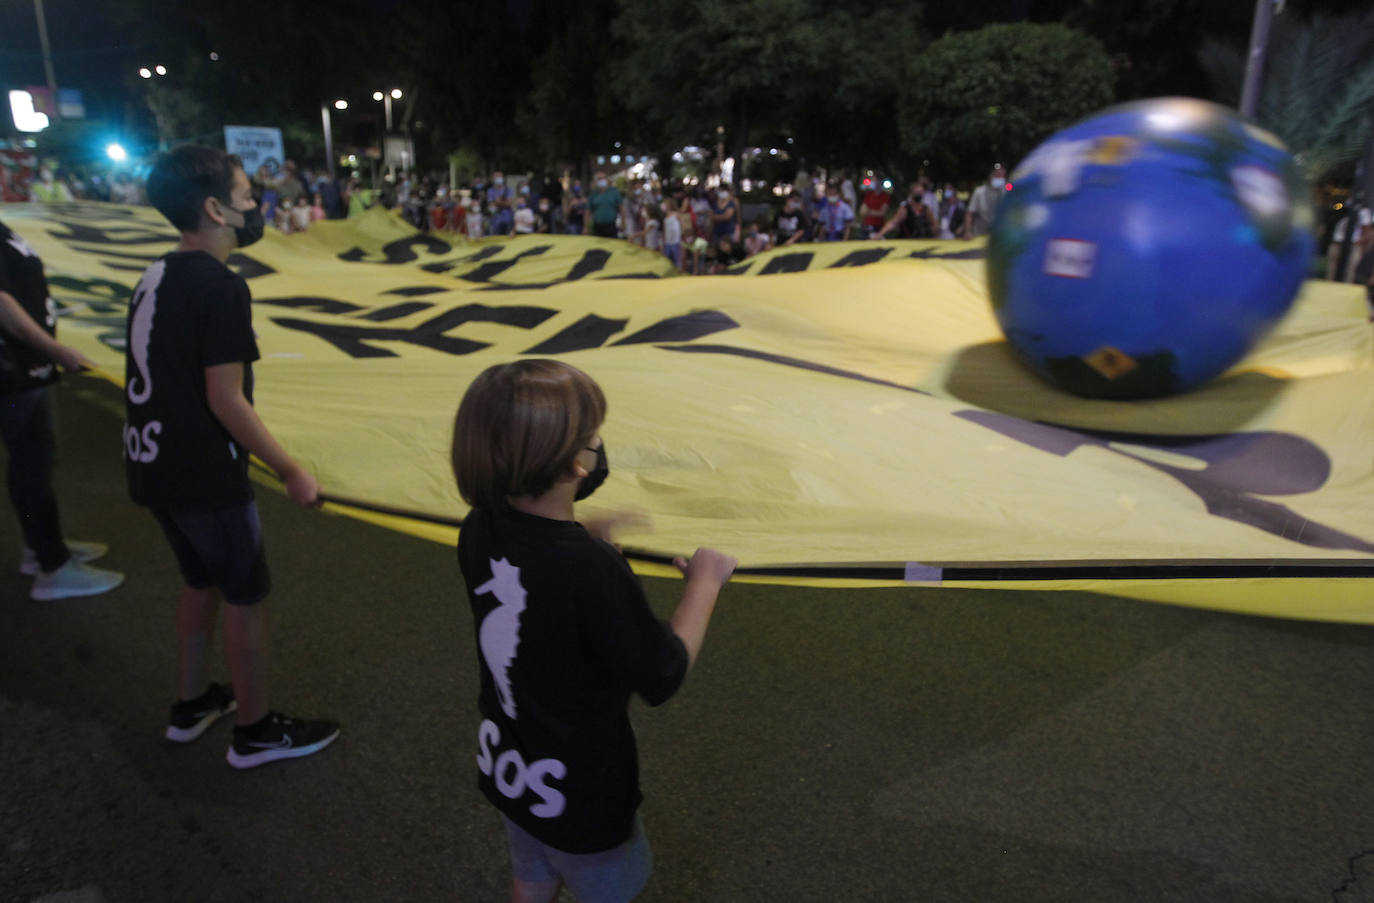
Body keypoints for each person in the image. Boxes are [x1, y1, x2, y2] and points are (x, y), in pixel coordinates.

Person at [452, 359, 737, 903]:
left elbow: (537, 574)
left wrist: (587, 535)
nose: (597, 446)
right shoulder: (588, 568)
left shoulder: (478, 526)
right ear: (576, 465)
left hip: (514, 767)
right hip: (578, 790)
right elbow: (663, 671)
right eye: (591, 437)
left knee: (533, 871)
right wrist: (705, 584)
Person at [130, 144, 339, 768]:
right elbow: (226, 400)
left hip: (152, 463)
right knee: (246, 594)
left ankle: (191, 704)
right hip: (204, 474)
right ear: (215, 208)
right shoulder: (220, 287)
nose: (256, 207)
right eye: (247, 197)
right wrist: (291, 468)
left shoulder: (157, 272)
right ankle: (254, 730)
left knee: (199, 582)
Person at [0, 219, 124, 601]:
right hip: (14, 370)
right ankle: (52, 567)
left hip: (23, 367)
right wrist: (56, 350)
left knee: (33, 459)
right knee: (32, 460)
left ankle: (42, 548)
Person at [873, 182, 938, 240]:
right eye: (917, 192)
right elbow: (893, 223)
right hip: (908, 242)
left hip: (923, 242)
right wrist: (880, 234)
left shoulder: (925, 209)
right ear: (912, 193)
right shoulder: (905, 209)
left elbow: (934, 224)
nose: (919, 194)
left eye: (920, 192)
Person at [961, 165, 1005, 238]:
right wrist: (967, 231)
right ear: (991, 176)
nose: (1000, 178)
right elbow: (969, 213)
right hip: (980, 234)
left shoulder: (1006, 191)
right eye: (997, 175)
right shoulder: (979, 192)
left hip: (1000, 235)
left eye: (1002, 176)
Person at [587, 171, 622, 239]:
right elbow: (588, 211)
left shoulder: (614, 192)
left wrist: (623, 223)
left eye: (604, 178)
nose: (602, 180)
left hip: (611, 225)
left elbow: (621, 208)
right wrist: (586, 227)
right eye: (599, 178)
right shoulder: (593, 194)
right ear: (596, 181)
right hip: (598, 226)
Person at [486, 171, 515, 236]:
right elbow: (491, 205)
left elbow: (509, 203)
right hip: (495, 219)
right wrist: (503, 202)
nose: (498, 178)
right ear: (493, 178)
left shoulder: (508, 190)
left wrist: (498, 202)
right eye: (496, 176)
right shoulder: (490, 190)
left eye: (500, 176)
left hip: (508, 218)